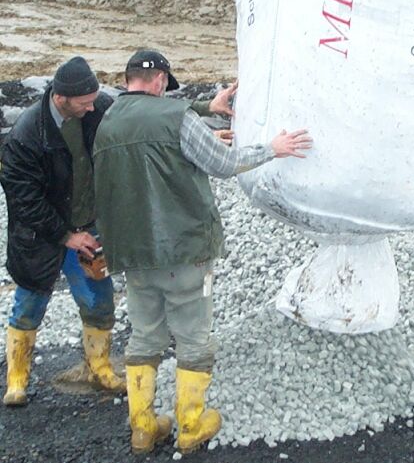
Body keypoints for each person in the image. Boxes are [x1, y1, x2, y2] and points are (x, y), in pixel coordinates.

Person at [93, 49, 313, 454]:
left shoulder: (106, 121)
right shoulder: (178, 118)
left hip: (132, 256)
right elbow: (223, 163)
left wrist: (203, 110)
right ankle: (191, 424)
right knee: (193, 336)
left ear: (129, 80)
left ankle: (142, 427)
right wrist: (273, 148)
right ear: (160, 80)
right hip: (183, 250)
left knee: (144, 336)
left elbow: (149, 136)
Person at [0, 56, 126, 405]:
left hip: (88, 227)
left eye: (94, 99)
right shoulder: (27, 134)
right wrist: (66, 236)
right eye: (84, 102)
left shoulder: (96, 107)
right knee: (29, 303)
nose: (92, 107)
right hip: (41, 238)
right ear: (61, 98)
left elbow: (136, 118)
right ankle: (17, 380)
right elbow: (24, 200)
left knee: (99, 301)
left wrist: (203, 108)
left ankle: (99, 368)